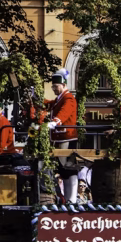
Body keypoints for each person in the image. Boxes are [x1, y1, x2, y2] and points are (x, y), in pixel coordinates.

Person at [46, 68, 80, 203]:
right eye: (53, 86)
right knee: (63, 169)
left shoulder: (69, 98)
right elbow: (50, 104)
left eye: (56, 86)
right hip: (60, 137)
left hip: (67, 136)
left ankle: (72, 199)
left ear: (64, 85)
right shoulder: (59, 99)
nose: (54, 88)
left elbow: (64, 113)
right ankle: (67, 199)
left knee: (69, 168)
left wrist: (55, 122)